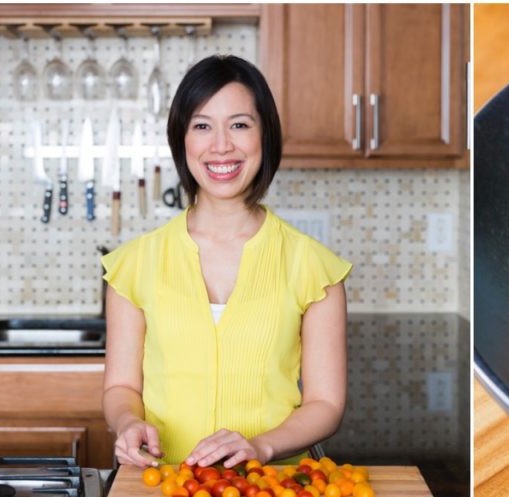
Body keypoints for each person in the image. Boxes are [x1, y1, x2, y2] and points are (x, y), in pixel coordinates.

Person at [101, 55, 350, 470]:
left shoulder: (314, 266)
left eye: (239, 125)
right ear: (182, 139)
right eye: (202, 126)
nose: (221, 145)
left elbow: (326, 403)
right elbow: (122, 386)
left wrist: (262, 447)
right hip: (165, 488)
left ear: (264, 136)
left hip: (272, 489)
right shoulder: (134, 265)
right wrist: (128, 422)